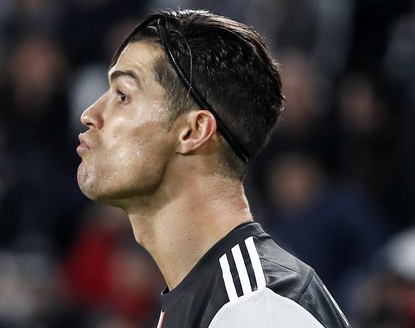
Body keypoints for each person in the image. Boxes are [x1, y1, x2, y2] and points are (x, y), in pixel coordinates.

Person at [75, 9, 351, 327]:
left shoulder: (255, 310)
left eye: (123, 95)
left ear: (193, 132)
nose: (90, 114)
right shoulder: (216, 297)